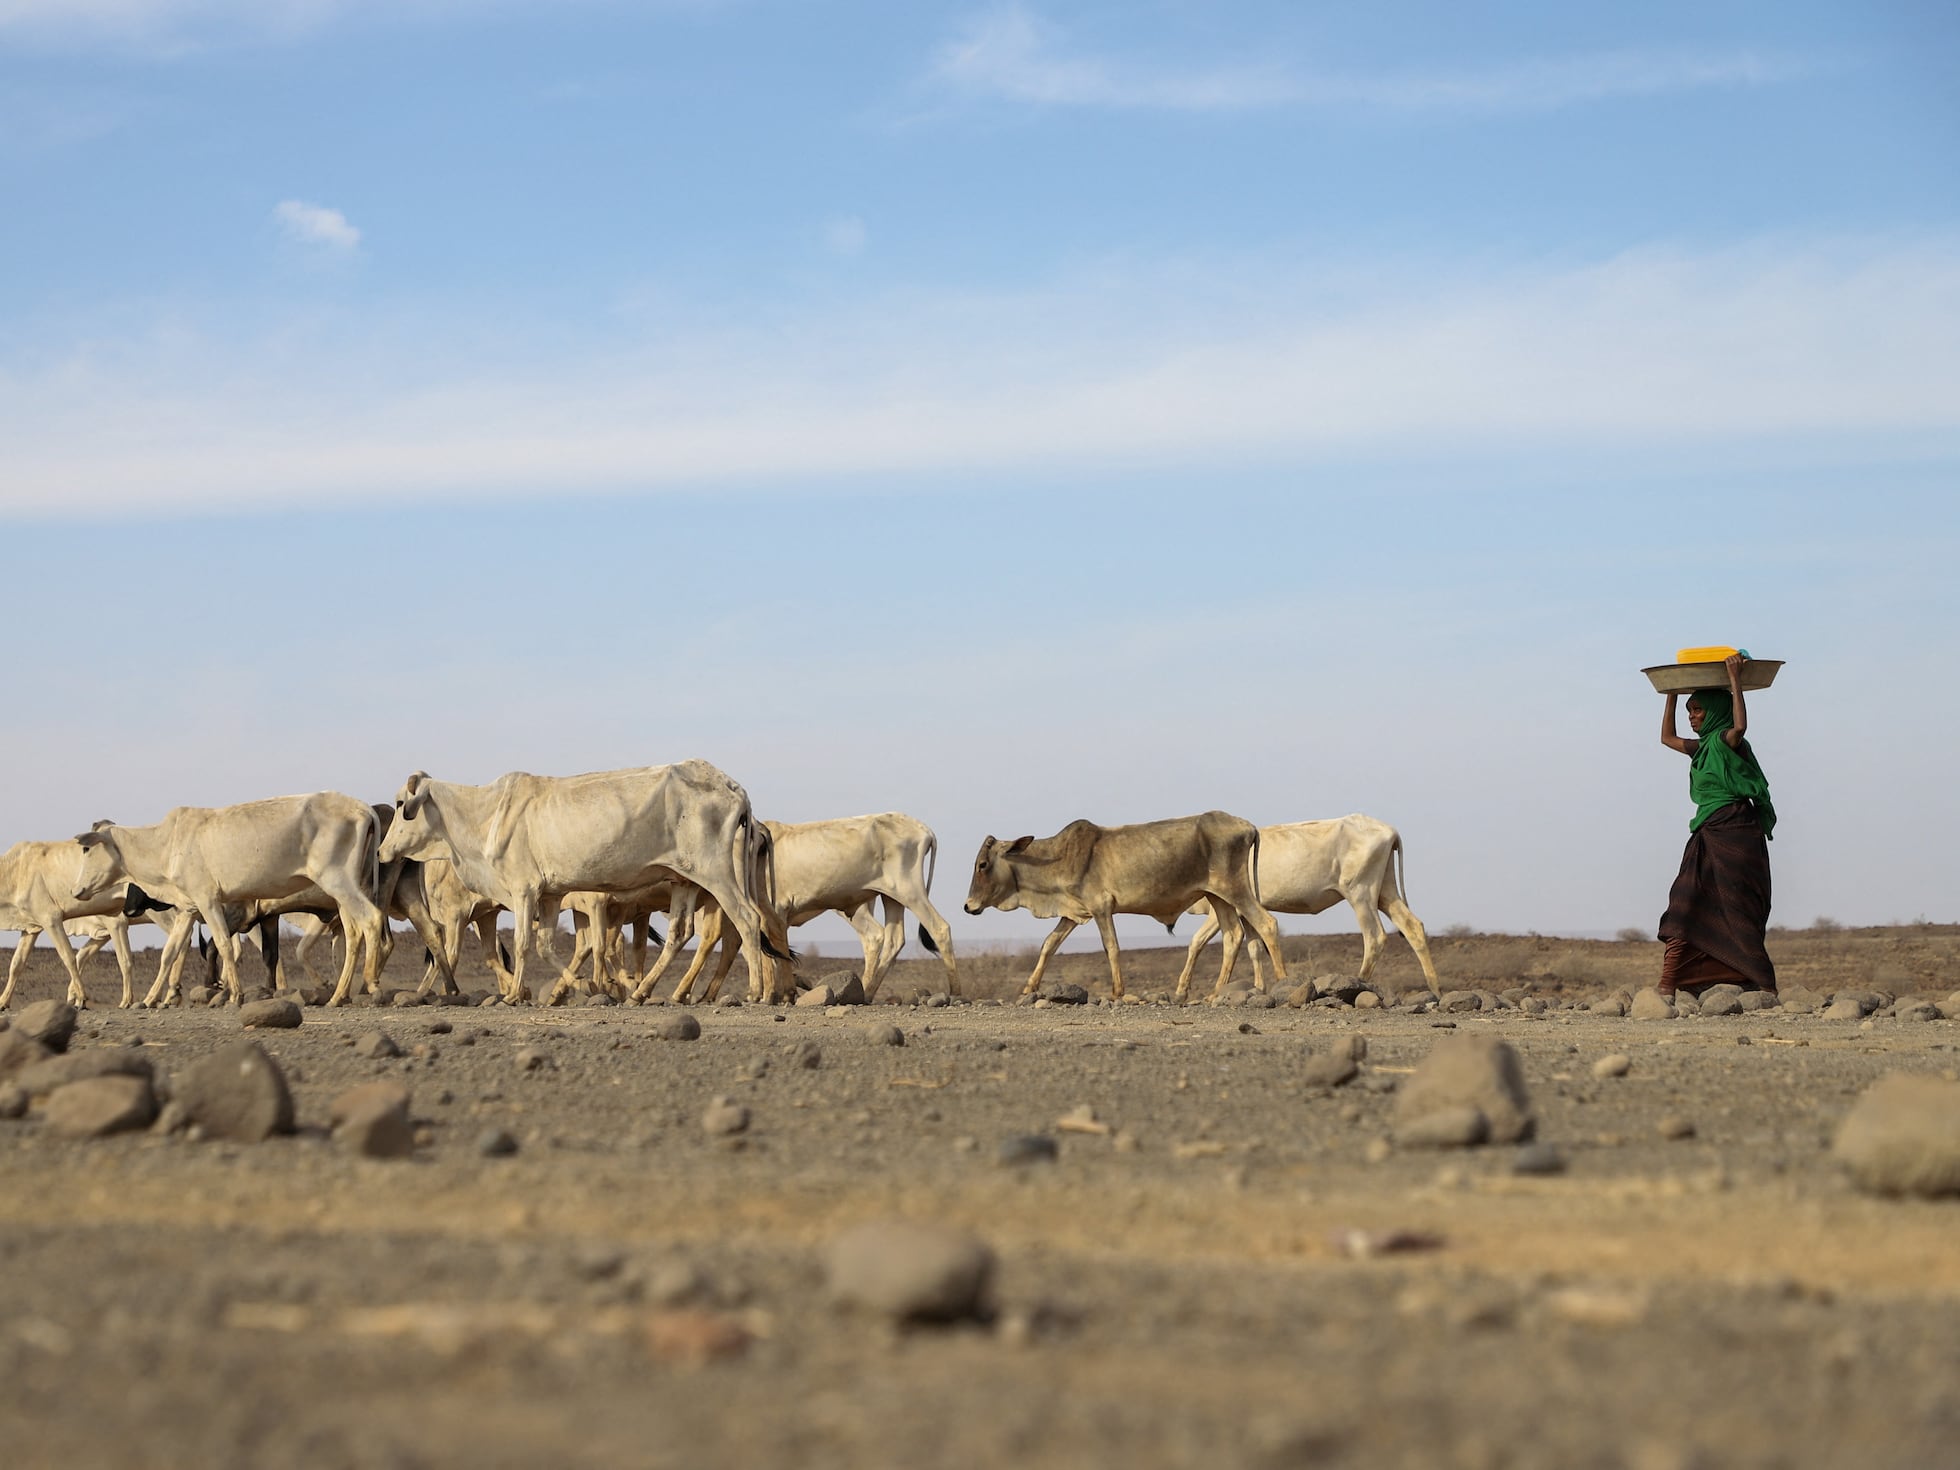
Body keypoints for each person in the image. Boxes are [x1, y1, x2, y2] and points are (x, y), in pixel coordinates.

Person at [1656, 652, 1777, 996]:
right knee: (1684, 899)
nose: (1692, 717)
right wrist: (1671, 693)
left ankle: (1758, 984)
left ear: (1716, 711)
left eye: (1697, 710)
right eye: (1689, 711)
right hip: (1707, 831)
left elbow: (1740, 726)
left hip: (1737, 832)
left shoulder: (1727, 740)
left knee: (1737, 907)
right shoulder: (1702, 747)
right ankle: (1669, 984)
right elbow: (1666, 738)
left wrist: (1735, 680)